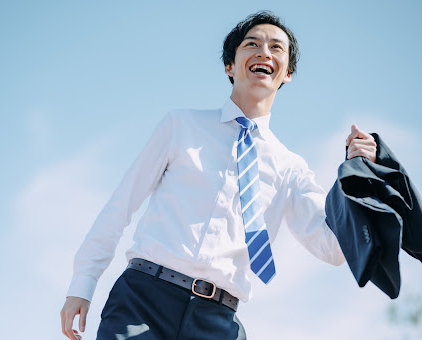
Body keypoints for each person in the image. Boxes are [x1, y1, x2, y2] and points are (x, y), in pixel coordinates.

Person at [60, 10, 377, 340]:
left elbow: (334, 249)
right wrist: (81, 284)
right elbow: (120, 207)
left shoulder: (290, 168)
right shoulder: (180, 125)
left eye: (276, 48)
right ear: (230, 65)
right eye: (252, 44)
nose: (264, 53)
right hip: (143, 301)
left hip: (218, 320)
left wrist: (359, 176)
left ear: (288, 73)